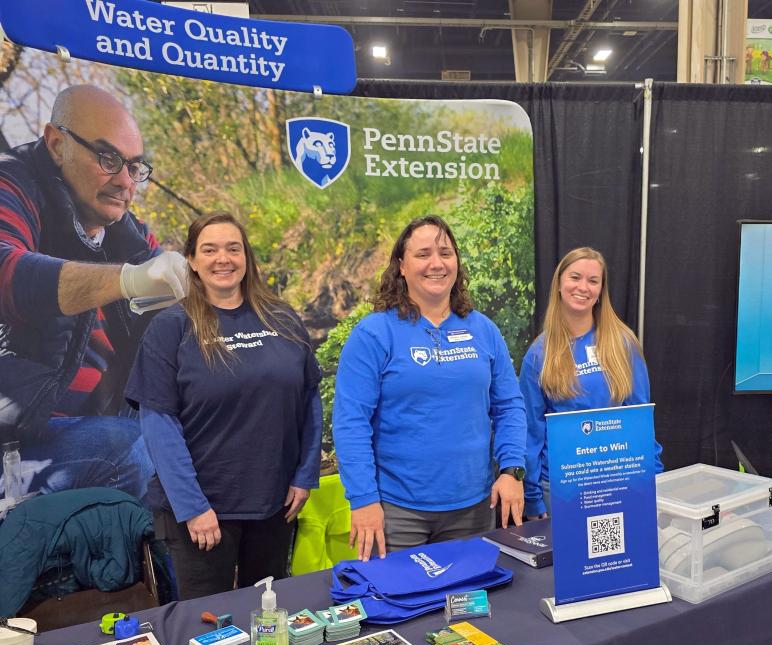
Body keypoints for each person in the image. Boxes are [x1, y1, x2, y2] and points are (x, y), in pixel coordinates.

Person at [0, 84, 189, 500]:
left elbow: (184, 339)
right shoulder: (11, 182)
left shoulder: (133, 235)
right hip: (14, 444)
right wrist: (127, 280)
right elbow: (6, 272)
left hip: (109, 426)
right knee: (133, 448)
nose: (125, 181)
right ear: (56, 144)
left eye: (134, 166)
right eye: (108, 158)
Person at [125, 212, 321, 600]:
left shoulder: (282, 318)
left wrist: (304, 474)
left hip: (274, 504)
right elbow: (159, 423)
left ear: (246, 257)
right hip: (204, 511)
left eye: (233, 248)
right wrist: (193, 507)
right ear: (193, 262)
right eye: (209, 250)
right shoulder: (172, 327)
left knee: (267, 617)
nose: (223, 259)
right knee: (207, 630)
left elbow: (309, 399)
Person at [333, 215, 526, 561]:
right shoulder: (374, 333)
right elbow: (351, 422)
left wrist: (512, 470)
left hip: (473, 510)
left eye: (445, 253)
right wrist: (363, 499)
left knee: (468, 610)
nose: (436, 263)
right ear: (401, 267)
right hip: (396, 513)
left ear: (457, 264)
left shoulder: (483, 330)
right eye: (423, 254)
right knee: (399, 611)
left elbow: (510, 406)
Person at [518, 247, 663, 517]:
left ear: (600, 292)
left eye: (593, 281)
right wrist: (532, 497)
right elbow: (530, 433)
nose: (583, 287)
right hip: (561, 487)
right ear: (559, 284)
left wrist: (653, 479)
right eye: (575, 277)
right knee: (565, 560)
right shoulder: (539, 354)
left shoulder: (623, 344)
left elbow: (640, 420)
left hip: (619, 481)